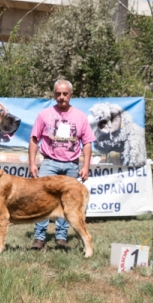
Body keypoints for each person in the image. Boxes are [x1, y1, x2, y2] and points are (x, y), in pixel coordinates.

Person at [28, 80, 95, 251]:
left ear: (71, 95)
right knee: (41, 201)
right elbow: (34, 139)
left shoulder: (80, 117)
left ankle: (61, 237)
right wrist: (32, 163)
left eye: (65, 94)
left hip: (71, 165)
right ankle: (39, 238)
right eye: (58, 93)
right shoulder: (44, 115)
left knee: (68, 204)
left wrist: (86, 166)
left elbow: (87, 142)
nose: (61, 97)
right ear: (54, 94)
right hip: (49, 163)